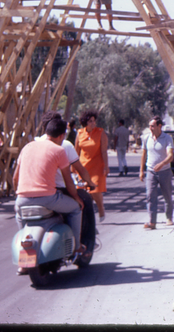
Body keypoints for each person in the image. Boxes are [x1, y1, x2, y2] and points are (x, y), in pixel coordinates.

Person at [13, 118, 84, 258]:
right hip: (48, 199)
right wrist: (77, 198)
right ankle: (76, 247)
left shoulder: (27, 147)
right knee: (75, 209)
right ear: (62, 136)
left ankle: (25, 251)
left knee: (19, 215)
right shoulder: (59, 150)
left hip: (22, 200)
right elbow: (68, 181)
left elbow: (15, 178)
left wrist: (19, 196)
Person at [36, 111, 96, 257]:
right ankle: (84, 245)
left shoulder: (35, 142)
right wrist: (90, 183)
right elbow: (78, 170)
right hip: (60, 190)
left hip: (37, 190)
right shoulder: (64, 145)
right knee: (85, 202)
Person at [139, 116, 174, 229]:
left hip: (165, 171)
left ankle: (169, 218)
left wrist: (162, 164)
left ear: (159, 126)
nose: (150, 128)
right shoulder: (146, 138)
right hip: (151, 171)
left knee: (167, 195)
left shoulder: (167, 138)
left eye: (153, 126)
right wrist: (141, 171)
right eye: (149, 126)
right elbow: (144, 155)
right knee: (150, 195)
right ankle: (152, 221)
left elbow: (170, 156)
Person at [75, 110, 109, 222]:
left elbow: (104, 151)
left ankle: (101, 208)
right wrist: (73, 167)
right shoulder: (79, 133)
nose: (93, 123)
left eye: (94, 121)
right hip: (83, 167)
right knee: (83, 192)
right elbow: (76, 151)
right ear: (85, 122)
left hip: (97, 166)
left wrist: (106, 166)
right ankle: (87, 218)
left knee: (95, 190)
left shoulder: (100, 132)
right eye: (90, 121)